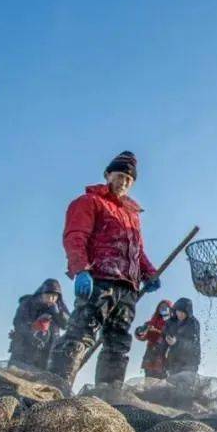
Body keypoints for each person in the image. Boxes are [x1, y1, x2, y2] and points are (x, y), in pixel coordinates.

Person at [48, 151, 160, 387]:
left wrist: (149, 272)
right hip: (100, 279)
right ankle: (57, 386)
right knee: (82, 332)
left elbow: (137, 250)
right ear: (108, 175)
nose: (124, 182)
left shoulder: (132, 215)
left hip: (128, 286)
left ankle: (107, 394)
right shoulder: (89, 202)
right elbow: (76, 236)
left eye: (129, 180)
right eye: (120, 176)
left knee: (118, 341)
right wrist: (80, 269)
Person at [8, 279, 69, 372]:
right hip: (23, 350)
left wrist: (57, 313)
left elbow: (67, 325)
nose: (51, 299)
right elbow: (18, 322)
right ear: (42, 293)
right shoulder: (28, 303)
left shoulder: (59, 307)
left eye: (54, 296)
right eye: (48, 295)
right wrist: (31, 334)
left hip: (46, 353)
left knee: (40, 380)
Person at [134, 300, 173, 379]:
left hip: (163, 356)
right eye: (161, 307)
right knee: (149, 380)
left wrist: (157, 333)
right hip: (150, 355)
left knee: (161, 383)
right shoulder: (151, 322)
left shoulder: (173, 323)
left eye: (166, 307)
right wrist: (140, 332)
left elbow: (172, 337)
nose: (163, 309)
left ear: (171, 309)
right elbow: (142, 336)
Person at [163, 297, 201, 375]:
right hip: (173, 362)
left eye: (184, 312)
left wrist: (176, 342)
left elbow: (193, 344)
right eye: (179, 311)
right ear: (175, 310)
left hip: (189, 362)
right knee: (172, 385)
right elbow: (164, 335)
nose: (180, 314)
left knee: (185, 385)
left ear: (188, 313)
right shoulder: (171, 322)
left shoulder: (193, 323)